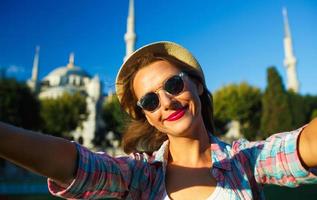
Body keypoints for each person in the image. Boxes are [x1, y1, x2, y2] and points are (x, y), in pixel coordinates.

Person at [0, 41, 317, 200]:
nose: (165, 102)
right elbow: (78, 165)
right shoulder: (139, 176)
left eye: (174, 85)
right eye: (149, 100)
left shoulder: (244, 161)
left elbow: (302, 146)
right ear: (148, 117)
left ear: (197, 85)